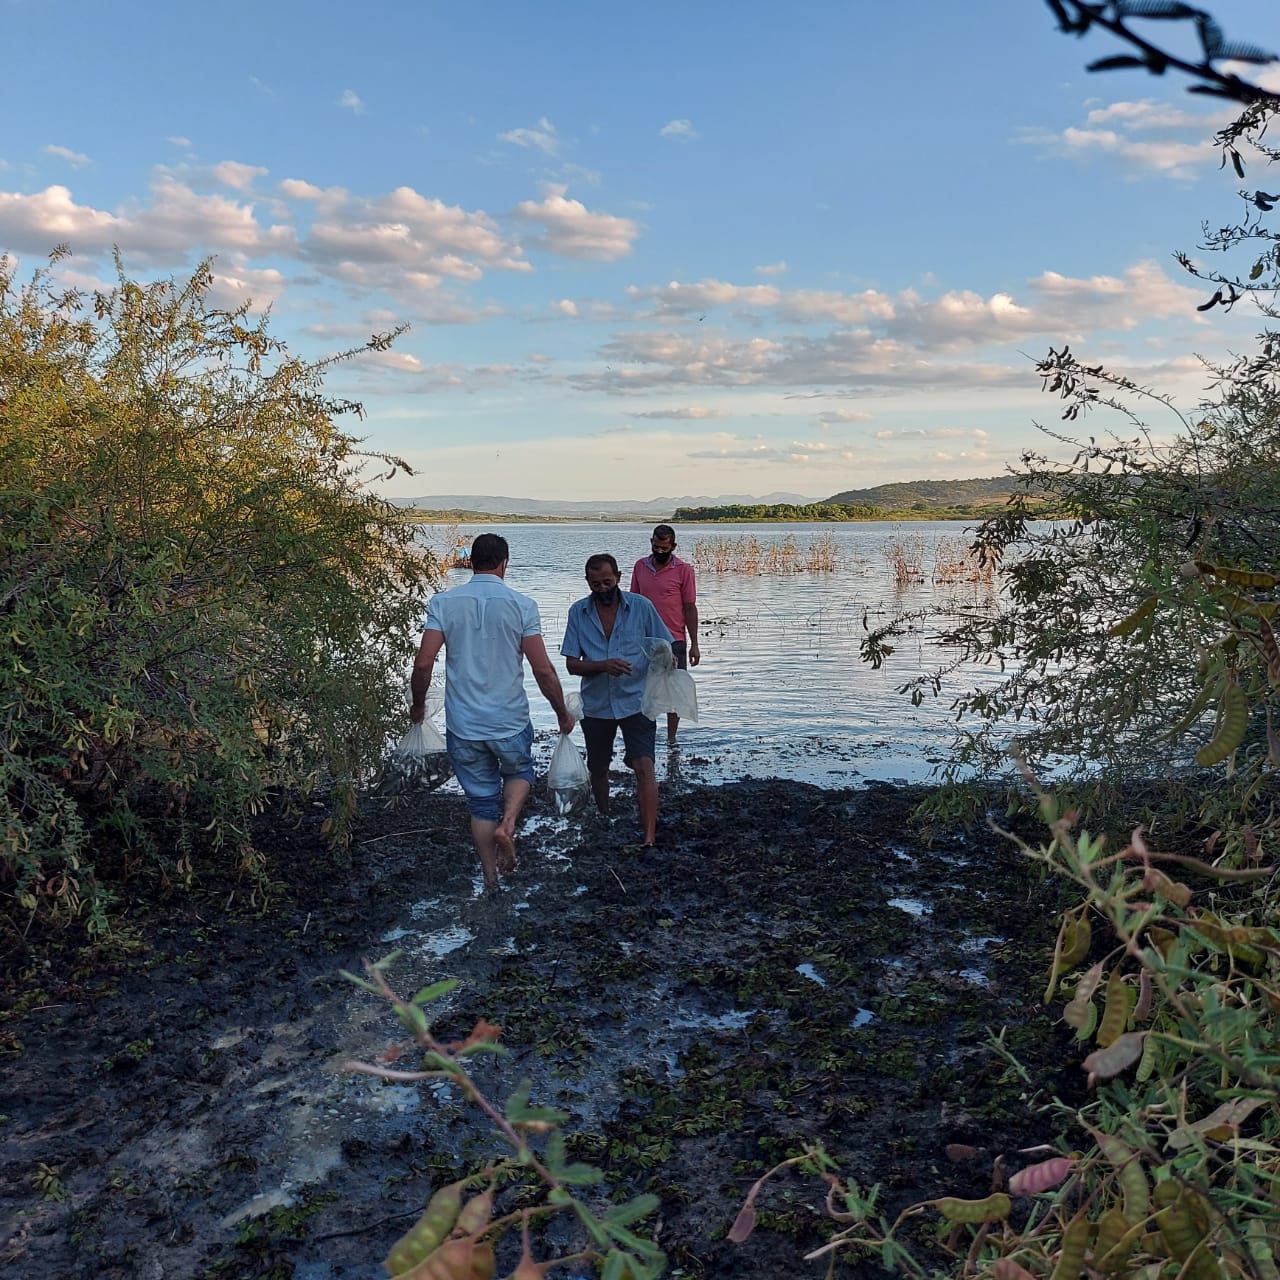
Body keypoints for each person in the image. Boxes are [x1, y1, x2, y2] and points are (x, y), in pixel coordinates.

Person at [410, 533, 575, 894]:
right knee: (519, 771)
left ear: (471, 562)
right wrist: (561, 711)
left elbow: (424, 664)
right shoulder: (522, 605)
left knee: (481, 802)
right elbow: (543, 670)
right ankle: (510, 823)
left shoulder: (443, 602)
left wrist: (419, 705)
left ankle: (489, 881)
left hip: (464, 725)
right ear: (504, 563)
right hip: (509, 720)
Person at [561, 553, 671, 847]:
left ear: (619, 578)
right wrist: (601, 665)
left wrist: (666, 667)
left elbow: (664, 647)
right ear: (587, 582)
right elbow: (572, 664)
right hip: (597, 705)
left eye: (607, 582)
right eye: (595, 584)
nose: (602, 589)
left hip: (638, 701)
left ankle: (649, 836)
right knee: (598, 767)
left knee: (645, 766)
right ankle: (605, 814)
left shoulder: (641, 607)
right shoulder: (577, 613)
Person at [629, 523, 700, 744]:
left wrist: (694, 644)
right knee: (641, 689)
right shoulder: (640, 566)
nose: (659, 552)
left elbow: (689, 607)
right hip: (645, 641)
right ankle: (644, 736)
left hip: (674, 640)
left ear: (673, 546)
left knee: (674, 692)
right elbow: (633, 603)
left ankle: (671, 740)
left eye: (664, 548)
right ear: (651, 543)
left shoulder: (684, 570)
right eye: (656, 547)